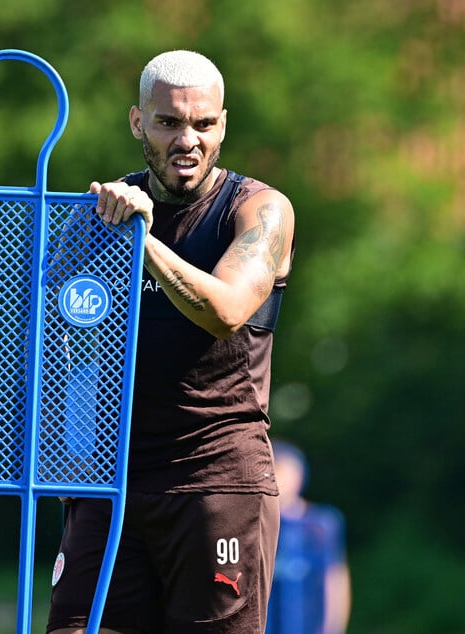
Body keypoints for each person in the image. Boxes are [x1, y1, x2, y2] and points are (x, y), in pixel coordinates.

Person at [46, 49, 296, 634]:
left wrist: (143, 240)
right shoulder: (92, 217)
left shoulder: (259, 209)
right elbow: (61, 350)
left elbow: (227, 310)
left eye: (204, 124)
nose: (188, 139)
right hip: (110, 489)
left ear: (224, 124)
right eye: (169, 122)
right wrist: (67, 468)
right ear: (138, 123)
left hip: (217, 483)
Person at [266, 441, 351, 634]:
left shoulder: (321, 524)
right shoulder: (254, 525)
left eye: (280, 471)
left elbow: (335, 581)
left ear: (299, 476)